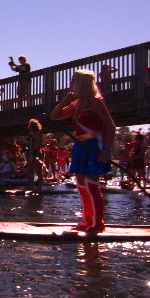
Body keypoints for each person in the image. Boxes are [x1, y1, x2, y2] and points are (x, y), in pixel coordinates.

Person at [50, 69, 116, 234]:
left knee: (91, 185)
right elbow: (54, 116)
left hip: (93, 146)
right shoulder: (77, 103)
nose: (71, 82)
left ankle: (97, 223)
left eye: (73, 80)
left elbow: (110, 126)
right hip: (79, 147)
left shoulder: (95, 102)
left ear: (82, 82)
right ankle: (88, 220)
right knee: (81, 185)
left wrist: (106, 150)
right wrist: (66, 99)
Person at [25, 119, 44, 191]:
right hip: (32, 153)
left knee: (38, 171)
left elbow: (39, 144)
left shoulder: (36, 134)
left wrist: (32, 150)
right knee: (31, 170)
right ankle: (31, 186)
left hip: (36, 153)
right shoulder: (32, 135)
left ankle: (38, 187)